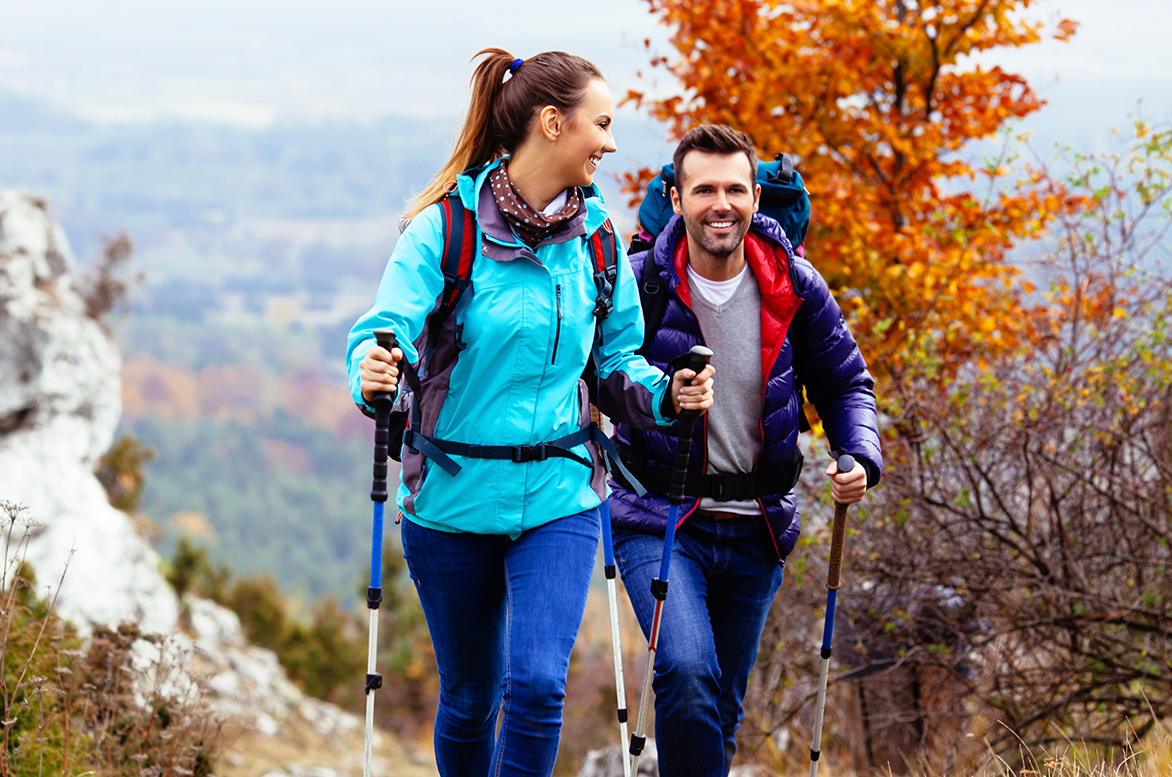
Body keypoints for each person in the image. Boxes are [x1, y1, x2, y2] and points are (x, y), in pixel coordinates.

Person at [347, 49, 712, 777]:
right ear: (553, 124)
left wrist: (665, 395)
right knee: (471, 696)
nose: (610, 143)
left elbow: (615, 362)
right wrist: (374, 373)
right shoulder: (444, 230)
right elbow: (383, 332)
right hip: (451, 499)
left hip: (561, 494)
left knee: (539, 684)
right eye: (600, 124)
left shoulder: (600, 239)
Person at [606, 124, 883, 776]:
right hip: (659, 514)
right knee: (686, 667)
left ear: (757, 197)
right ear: (675, 199)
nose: (721, 203)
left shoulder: (795, 284)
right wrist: (656, 396)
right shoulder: (640, 283)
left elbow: (847, 383)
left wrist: (860, 457)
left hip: (759, 524)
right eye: (704, 189)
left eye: (735, 188)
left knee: (718, 709)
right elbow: (602, 378)